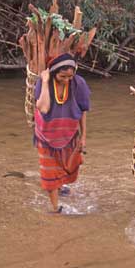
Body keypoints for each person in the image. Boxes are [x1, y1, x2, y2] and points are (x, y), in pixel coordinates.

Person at [34, 53, 90, 213]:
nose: (66, 80)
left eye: (70, 76)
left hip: (69, 134)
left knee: (69, 165)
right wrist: (45, 81)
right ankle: (55, 208)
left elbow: (83, 111)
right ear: (53, 73)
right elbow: (43, 108)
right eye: (62, 76)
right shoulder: (43, 83)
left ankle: (59, 186)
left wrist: (83, 136)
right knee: (49, 172)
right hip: (45, 137)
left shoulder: (78, 84)